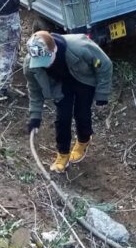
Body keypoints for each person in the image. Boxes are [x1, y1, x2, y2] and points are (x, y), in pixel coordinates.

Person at [24, 31, 113, 173]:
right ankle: (63, 154)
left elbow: (105, 65)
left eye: (46, 61)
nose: (44, 66)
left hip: (83, 79)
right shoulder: (32, 64)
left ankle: (84, 140)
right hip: (61, 85)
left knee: (82, 114)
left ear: (54, 50)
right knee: (62, 118)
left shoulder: (80, 47)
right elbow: (35, 91)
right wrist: (35, 116)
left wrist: (102, 94)